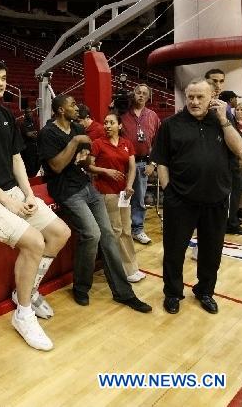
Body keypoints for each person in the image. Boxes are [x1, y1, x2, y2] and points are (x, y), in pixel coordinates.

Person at [0, 59, 71, 352]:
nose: (0, 82)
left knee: (60, 233)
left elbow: (16, 159)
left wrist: (28, 194)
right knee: (34, 242)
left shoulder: (7, 114)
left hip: (12, 192)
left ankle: (28, 291)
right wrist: (6, 200)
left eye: (3, 78)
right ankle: (22, 313)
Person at [37, 94, 152, 313]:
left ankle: (124, 293)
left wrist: (85, 154)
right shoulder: (48, 133)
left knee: (109, 236)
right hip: (66, 191)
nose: (76, 108)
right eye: (71, 105)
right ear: (60, 110)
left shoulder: (78, 129)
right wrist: (75, 143)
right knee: (92, 234)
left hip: (87, 187)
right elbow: (58, 166)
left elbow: (87, 153)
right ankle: (81, 288)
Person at [151, 78, 242, 315]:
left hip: (216, 198)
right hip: (180, 200)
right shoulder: (171, 124)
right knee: (174, 251)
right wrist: (167, 190)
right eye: (190, 97)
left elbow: (239, 151)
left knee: (211, 251)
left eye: (200, 97)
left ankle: (205, 291)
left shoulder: (222, 121)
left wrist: (224, 120)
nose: (194, 101)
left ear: (212, 96)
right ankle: (173, 293)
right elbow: (161, 161)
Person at [90, 112, 145, 283]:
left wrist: (129, 186)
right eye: (105, 122)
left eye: (111, 122)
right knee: (116, 231)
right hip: (106, 193)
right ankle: (119, 270)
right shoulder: (98, 143)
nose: (107, 125)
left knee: (126, 230)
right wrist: (105, 171)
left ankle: (131, 267)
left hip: (123, 194)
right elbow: (89, 166)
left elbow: (132, 167)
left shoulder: (126, 143)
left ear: (119, 126)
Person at [120, 84, 160, 245]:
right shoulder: (121, 114)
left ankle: (138, 229)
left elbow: (159, 142)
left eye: (144, 93)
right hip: (122, 164)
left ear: (148, 98)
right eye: (138, 92)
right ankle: (123, 229)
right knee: (122, 197)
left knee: (139, 199)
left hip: (143, 163)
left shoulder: (153, 116)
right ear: (133, 94)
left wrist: (153, 163)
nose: (141, 95)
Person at [219, 90, 242, 235]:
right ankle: (230, 223)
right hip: (231, 159)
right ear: (231, 100)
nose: (236, 103)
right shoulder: (223, 112)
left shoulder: (227, 112)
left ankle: (234, 217)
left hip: (235, 157)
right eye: (235, 100)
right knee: (233, 191)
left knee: (239, 188)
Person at [19, 107, 40, 177]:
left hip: (36, 146)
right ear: (25, 114)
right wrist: (33, 133)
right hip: (28, 147)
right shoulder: (23, 123)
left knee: (37, 163)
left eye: (30, 112)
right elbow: (28, 134)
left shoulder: (34, 122)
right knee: (30, 164)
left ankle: (34, 176)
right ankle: (30, 178)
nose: (30, 113)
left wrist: (33, 133)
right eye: (28, 112)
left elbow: (37, 132)